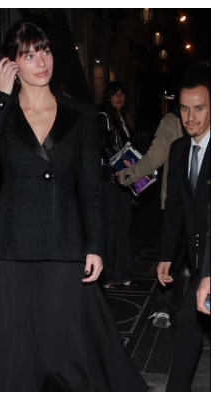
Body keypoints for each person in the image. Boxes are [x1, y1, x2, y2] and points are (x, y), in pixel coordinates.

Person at [0, 21, 148, 391]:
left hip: (63, 243)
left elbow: (91, 188)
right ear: (11, 64)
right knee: (14, 355)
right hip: (9, 250)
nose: (41, 62)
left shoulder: (80, 114)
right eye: (28, 55)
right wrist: (0, 97)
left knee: (65, 353)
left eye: (45, 51)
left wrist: (95, 245)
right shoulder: (0, 112)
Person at [157, 63, 211, 391]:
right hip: (199, 260)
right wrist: (167, 256)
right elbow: (176, 210)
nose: (190, 117)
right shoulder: (179, 151)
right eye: (184, 109)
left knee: (189, 319)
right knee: (188, 320)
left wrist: (210, 273)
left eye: (199, 108)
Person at [115, 104, 186, 328]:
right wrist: (129, 174)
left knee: (178, 255)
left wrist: (128, 175)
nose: (191, 117)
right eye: (186, 108)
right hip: (178, 202)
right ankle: (164, 307)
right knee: (171, 257)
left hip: (194, 204)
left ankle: (169, 308)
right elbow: (154, 158)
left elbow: (153, 158)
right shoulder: (172, 121)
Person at [98, 81, 136, 290]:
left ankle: (123, 274)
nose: (119, 98)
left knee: (124, 227)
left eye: (122, 94)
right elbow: (103, 146)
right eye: (115, 94)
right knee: (111, 227)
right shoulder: (103, 117)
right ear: (108, 97)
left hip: (125, 177)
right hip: (111, 178)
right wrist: (120, 165)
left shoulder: (124, 117)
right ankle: (108, 276)